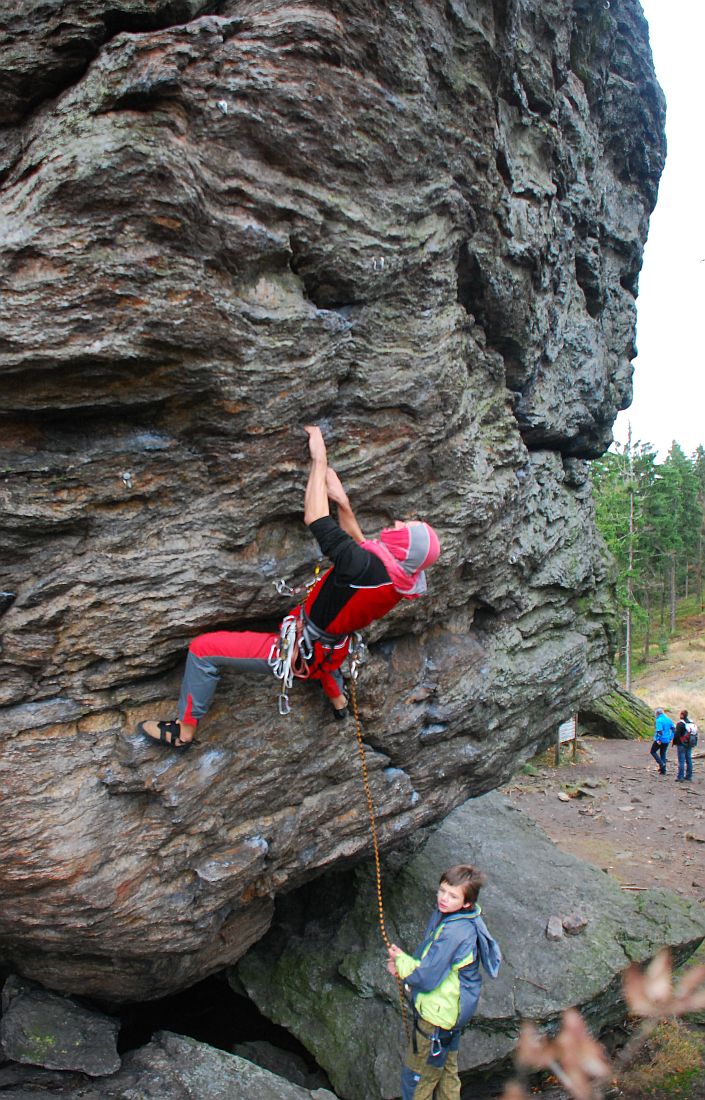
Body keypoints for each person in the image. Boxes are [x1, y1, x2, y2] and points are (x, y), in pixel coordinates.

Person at [137, 425, 441, 749]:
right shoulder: (398, 580)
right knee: (328, 659)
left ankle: (184, 731)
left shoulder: (363, 567)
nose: (397, 524)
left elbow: (314, 517)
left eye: (404, 528)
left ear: (404, 548)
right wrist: (342, 501)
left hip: (304, 647)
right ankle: (338, 703)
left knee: (203, 649)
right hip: (333, 644)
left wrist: (319, 459)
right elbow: (363, 545)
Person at [386, 864, 501, 1100]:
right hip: (453, 1012)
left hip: (437, 1016)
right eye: (442, 891)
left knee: (418, 1079)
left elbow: (427, 977)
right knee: (447, 1073)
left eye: (453, 896)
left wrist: (401, 964)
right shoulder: (461, 918)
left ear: (467, 902)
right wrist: (405, 963)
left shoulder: (455, 932)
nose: (444, 899)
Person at [650, 707, 675, 776]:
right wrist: (670, 737)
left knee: (653, 751)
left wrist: (658, 739)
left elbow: (659, 731)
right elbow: (673, 729)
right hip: (666, 739)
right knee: (663, 753)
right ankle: (663, 771)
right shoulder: (668, 720)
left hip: (661, 739)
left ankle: (661, 764)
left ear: (657, 713)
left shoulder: (659, 720)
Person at [673, 709, 695, 783]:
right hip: (689, 743)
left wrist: (674, 742)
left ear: (682, 715)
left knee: (681, 761)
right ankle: (689, 776)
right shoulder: (691, 723)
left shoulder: (680, 724)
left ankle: (680, 777)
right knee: (689, 759)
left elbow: (677, 734)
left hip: (681, 744)